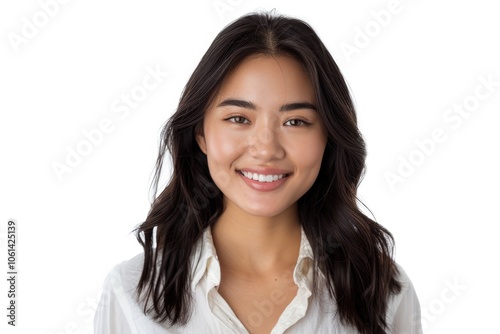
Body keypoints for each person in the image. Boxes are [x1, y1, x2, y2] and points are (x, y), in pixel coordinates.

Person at [94, 11, 422, 334]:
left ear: (329, 138)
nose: (266, 149)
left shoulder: (383, 292)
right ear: (201, 135)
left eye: (296, 122)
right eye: (239, 119)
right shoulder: (131, 294)